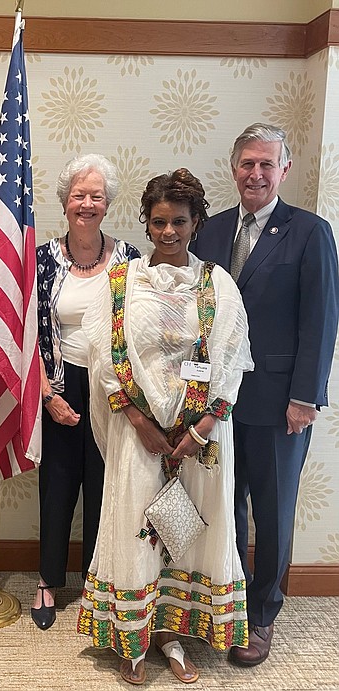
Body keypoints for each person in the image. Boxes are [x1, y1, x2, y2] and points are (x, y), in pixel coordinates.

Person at [78, 169, 253, 685]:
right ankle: (132, 638)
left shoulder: (217, 284)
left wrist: (198, 430)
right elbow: (104, 362)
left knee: (188, 536)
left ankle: (171, 634)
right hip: (140, 435)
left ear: (196, 223)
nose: (169, 232)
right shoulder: (122, 283)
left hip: (199, 441)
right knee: (139, 530)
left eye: (180, 221)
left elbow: (230, 362)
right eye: (158, 222)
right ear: (146, 223)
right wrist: (138, 419)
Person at [191, 123, 339, 666]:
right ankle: (226, 606)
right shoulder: (209, 232)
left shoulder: (309, 232)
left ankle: (263, 616)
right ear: (234, 169)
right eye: (247, 163)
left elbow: (320, 323)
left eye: (266, 164)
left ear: (284, 170)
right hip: (214, 404)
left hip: (279, 406)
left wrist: (305, 396)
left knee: (272, 513)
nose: (256, 173)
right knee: (223, 509)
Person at [33, 154, 140, 630]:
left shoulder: (130, 259)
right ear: (65, 201)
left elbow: (142, 330)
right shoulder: (40, 260)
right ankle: (48, 581)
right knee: (57, 487)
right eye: (79, 194)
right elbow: (23, 334)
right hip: (59, 382)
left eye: (96, 195)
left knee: (106, 487)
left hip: (112, 388)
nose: (87, 203)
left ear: (108, 202)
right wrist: (45, 394)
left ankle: (98, 581)